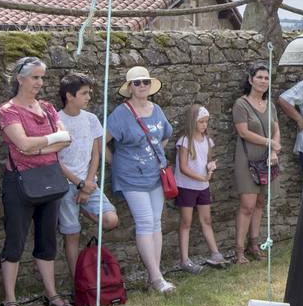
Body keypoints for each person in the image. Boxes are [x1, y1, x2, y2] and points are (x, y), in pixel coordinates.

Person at [0, 56, 75, 306]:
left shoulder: (49, 108)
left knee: (47, 240)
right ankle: (9, 300)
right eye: (35, 77)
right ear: (20, 79)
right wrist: (46, 143)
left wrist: (37, 146)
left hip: (49, 179)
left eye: (42, 77)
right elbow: (21, 143)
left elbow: (65, 139)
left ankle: (51, 294)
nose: (40, 83)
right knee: (15, 241)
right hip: (20, 182)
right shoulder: (8, 110)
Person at [106, 66, 176, 294]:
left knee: (156, 222)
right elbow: (100, 141)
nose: (142, 86)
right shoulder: (121, 113)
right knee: (146, 222)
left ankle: (153, 275)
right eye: (137, 83)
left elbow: (164, 136)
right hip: (130, 177)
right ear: (129, 87)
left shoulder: (156, 110)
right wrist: (114, 162)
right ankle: (157, 278)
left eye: (145, 82)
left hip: (155, 175)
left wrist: (155, 155)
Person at [56, 73, 120, 277]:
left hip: (88, 184)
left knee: (110, 220)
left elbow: (95, 154)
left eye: (89, 93)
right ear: (69, 95)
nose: (88, 97)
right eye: (84, 93)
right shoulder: (56, 120)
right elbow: (54, 160)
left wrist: (88, 182)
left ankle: (81, 206)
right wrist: (78, 183)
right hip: (66, 184)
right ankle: (78, 280)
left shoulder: (91, 119)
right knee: (72, 234)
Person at [233, 64, 281, 263]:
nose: (263, 81)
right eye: (259, 77)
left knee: (261, 203)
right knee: (247, 205)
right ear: (251, 80)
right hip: (247, 159)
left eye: (266, 78)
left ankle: (255, 244)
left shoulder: (270, 105)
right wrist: (270, 142)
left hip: (268, 159)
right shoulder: (241, 104)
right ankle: (239, 250)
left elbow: (276, 130)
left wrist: (274, 149)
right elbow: (243, 132)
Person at [176, 103, 228, 271]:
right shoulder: (185, 141)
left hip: (202, 186)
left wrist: (211, 166)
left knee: (206, 220)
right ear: (193, 122)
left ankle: (215, 253)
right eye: (201, 122)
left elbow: (206, 161)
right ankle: (185, 260)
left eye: (206, 122)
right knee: (186, 222)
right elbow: (183, 168)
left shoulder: (207, 140)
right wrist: (201, 177)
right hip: (187, 186)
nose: (204, 125)